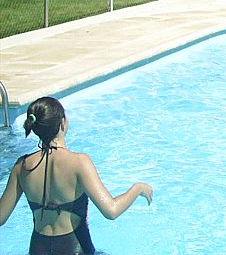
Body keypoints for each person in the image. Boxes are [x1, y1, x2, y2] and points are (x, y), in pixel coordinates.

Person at [0, 96, 153, 254]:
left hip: (38, 248)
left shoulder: (21, 166)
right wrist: (138, 188)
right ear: (62, 123)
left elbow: (0, 217)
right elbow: (111, 211)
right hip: (74, 246)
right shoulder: (79, 163)